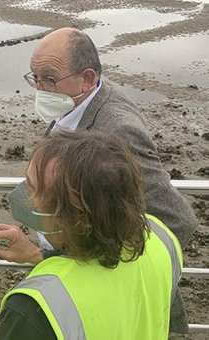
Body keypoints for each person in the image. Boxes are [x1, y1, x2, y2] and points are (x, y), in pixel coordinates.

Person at [24, 27, 197, 332]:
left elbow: (178, 220)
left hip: (106, 304)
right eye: (34, 77)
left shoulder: (116, 131)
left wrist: (104, 279)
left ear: (87, 78)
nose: (39, 89)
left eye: (48, 79)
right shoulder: (75, 101)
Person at [0, 131, 183, 339]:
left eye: (33, 188)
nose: (25, 196)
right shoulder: (162, 237)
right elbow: (111, 289)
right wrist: (38, 256)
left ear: (71, 216)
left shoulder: (32, 307)